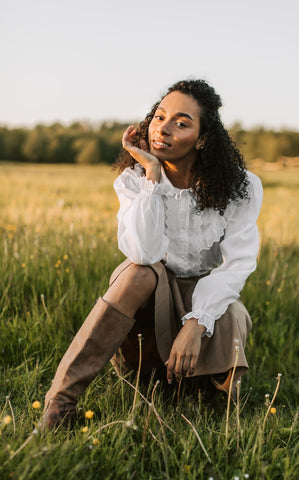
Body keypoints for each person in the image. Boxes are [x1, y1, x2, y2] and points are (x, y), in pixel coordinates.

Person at [41, 79, 263, 429]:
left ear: (202, 139)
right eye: (160, 117)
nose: (164, 129)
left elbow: (238, 264)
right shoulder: (134, 182)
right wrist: (152, 176)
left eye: (181, 122)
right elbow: (145, 253)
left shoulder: (240, 187)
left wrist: (196, 321)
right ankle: (60, 402)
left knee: (232, 309)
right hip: (148, 310)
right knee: (139, 272)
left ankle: (206, 390)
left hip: (200, 306)